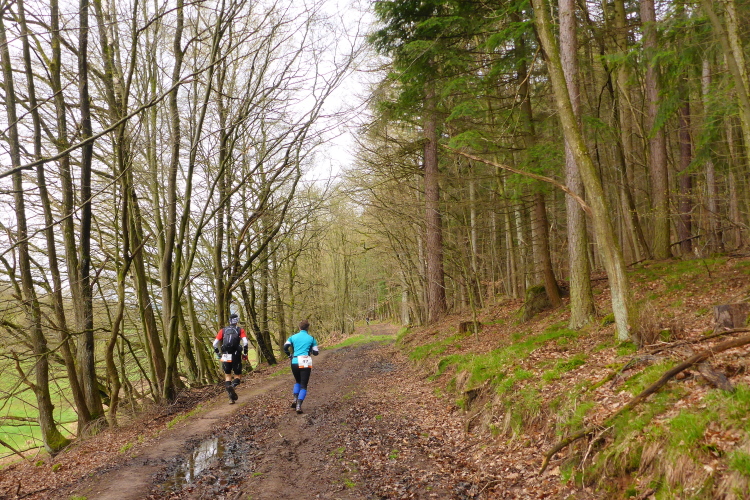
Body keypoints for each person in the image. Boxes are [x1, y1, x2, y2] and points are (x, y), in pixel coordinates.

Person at [283, 319, 319, 414]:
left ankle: (295, 399)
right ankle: (298, 405)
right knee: (304, 385)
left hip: (295, 361)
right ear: (308, 328)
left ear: (299, 328)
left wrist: (289, 355)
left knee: (297, 381)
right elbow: (316, 352)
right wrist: (310, 350)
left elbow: (285, 347)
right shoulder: (311, 338)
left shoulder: (292, 337)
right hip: (305, 361)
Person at [213, 313, 249, 404]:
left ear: (229, 321)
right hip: (236, 354)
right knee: (238, 375)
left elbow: (214, 344)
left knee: (227, 375)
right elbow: (245, 342)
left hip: (225, 354)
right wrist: (245, 353)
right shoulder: (240, 330)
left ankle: (230, 398)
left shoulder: (223, 330)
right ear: (237, 321)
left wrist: (218, 354)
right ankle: (232, 386)